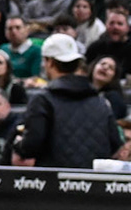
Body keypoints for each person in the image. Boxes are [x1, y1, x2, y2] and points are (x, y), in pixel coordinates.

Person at [12, 33, 124, 168]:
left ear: (50, 62)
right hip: (93, 185)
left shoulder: (43, 100)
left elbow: (30, 147)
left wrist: (18, 144)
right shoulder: (101, 102)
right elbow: (115, 144)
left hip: (53, 183)